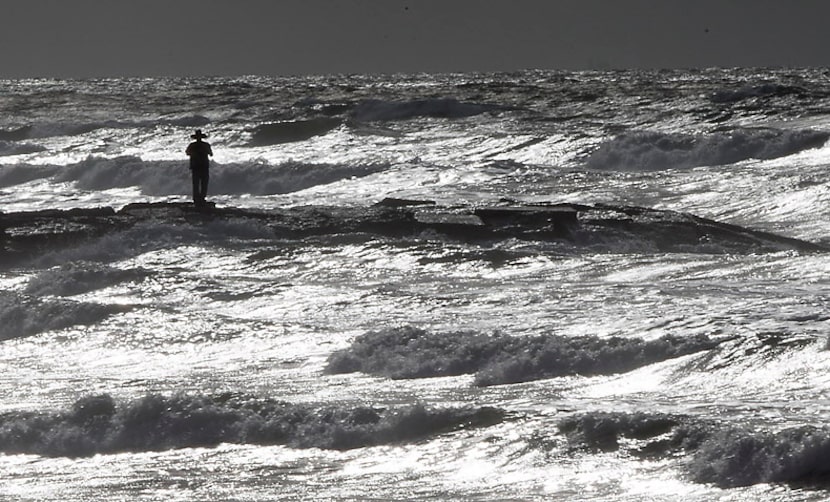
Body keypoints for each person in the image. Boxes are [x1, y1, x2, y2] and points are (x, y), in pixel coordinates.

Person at [185, 129, 213, 205]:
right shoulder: (205, 145)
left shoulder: (192, 145)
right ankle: (201, 198)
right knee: (203, 183)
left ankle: (197, 199)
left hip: (197, 166)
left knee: (197, 183)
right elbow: (211, 154)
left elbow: (187, 153)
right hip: (202, 166)